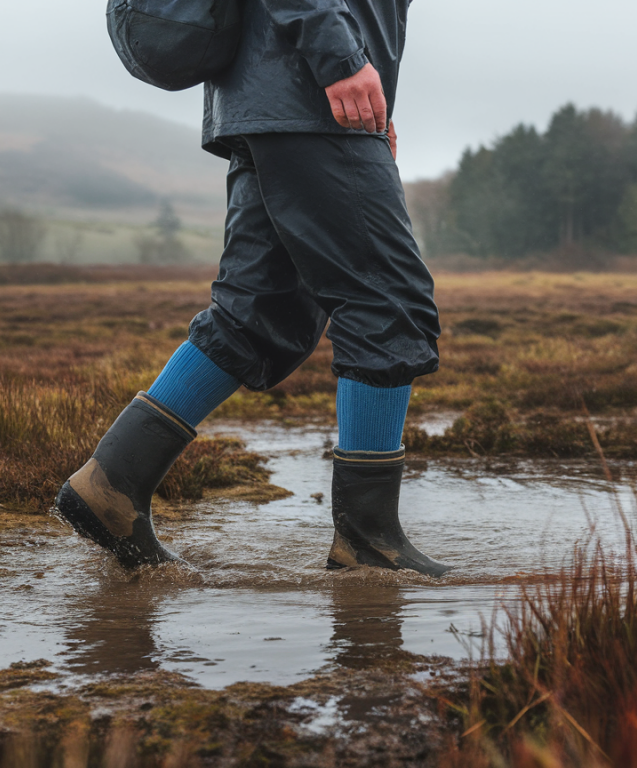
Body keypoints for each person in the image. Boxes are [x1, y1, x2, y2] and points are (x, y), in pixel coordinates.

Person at [55, 0, 450, 577]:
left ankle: (112, 483)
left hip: (276, 98)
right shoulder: (326, 67)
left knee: (258, 312)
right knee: (387, 301)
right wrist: (340, 60)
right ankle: (370, 540)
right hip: (308, 92)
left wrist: (371, 89)